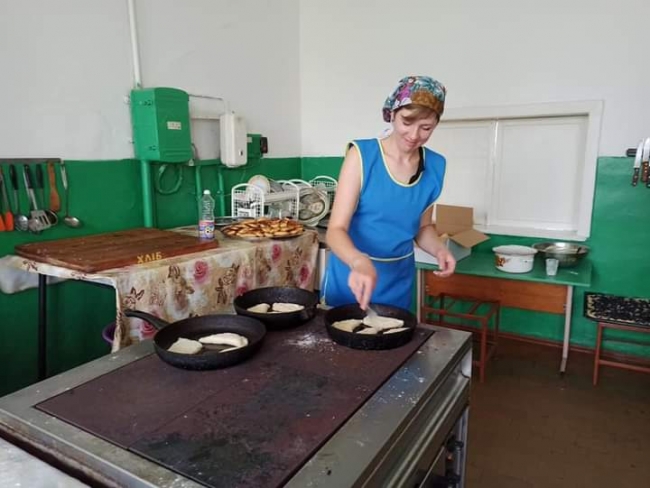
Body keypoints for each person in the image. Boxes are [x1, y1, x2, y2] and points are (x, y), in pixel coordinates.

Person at [322, 75, 456, 311]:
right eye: (407, 122)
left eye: (426, 128)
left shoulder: (435, 166)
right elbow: (335, 230)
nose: (414, 135)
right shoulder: (362, 156)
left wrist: (439, 249)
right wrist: (358, 261)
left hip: (397, 281)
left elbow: (422, 228)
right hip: (352, 276)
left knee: (395, 332)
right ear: (392, 114)